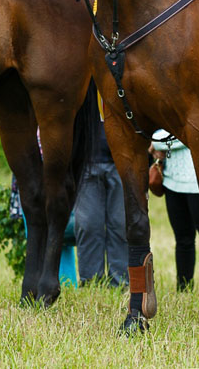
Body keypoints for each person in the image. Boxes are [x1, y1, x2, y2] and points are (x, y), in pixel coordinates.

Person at [149, 132, 199, 291]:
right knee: (183, 239)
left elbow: (189, 133)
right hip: (171, 180)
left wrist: (156, 143)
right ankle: (184, 288)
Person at [73, 107, 127, 287]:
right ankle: (91, 283)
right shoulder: (81, 81)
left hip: (121, 160)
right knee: (88, 225)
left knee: (121, 225)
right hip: (87, 160)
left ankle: (121, 282)